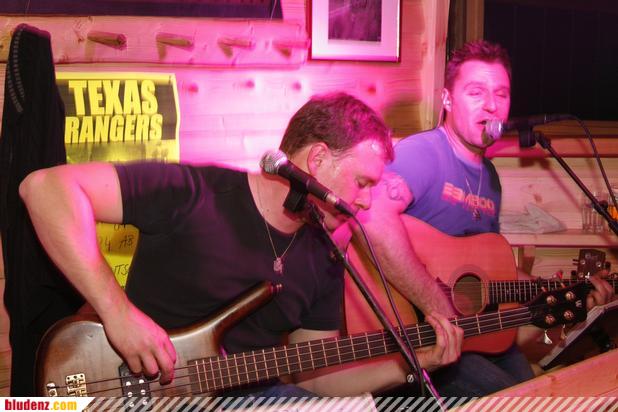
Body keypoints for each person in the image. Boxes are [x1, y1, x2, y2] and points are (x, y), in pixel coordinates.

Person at [19, 92, 463, 397]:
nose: (365, 202)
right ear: (318, 159)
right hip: (125, 385)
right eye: (362, 183)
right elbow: (44, 189)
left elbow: (315, 380)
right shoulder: (193, 192)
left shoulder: (323, 254)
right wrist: (118, 313)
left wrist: (409, 364)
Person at [353, 40, 614, 397]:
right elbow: (370, 218)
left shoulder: (489, 177)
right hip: (422, 337)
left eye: (501, 94)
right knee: (521, 403)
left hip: (476, 337)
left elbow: (489, 269)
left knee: (544, 394)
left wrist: (566, 293)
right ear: (447, 100)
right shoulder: (423, 153)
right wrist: (436, 303)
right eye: (476, 92)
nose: (491, 105)